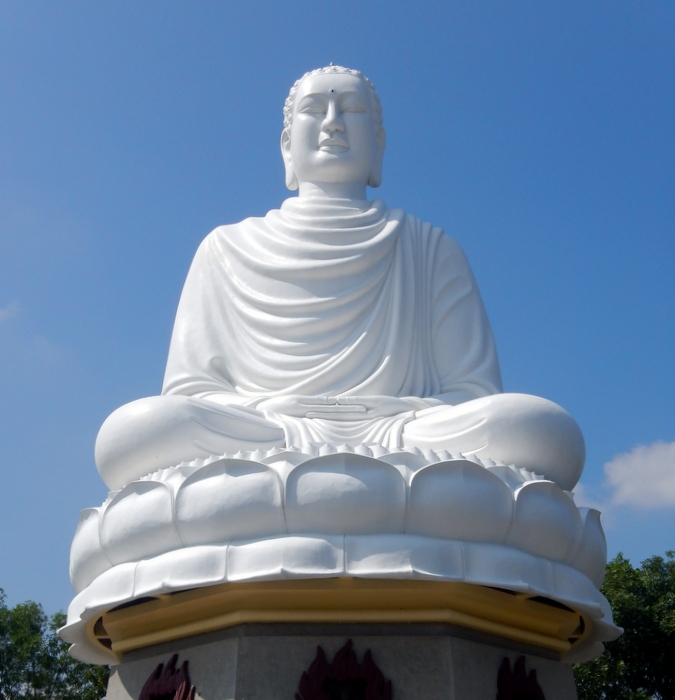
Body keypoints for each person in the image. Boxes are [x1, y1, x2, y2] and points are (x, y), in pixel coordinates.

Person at [95, 65, 584, 493]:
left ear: (379, 144)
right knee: (138, 432)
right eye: (314, 110)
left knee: (534, 428)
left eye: (351, 110)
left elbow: (474, 394)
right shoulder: (225, 247)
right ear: (287, 145)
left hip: (402, 434)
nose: (332, 123)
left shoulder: (428, 247)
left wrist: (384, 419)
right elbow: (191, 392)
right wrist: (285, 415)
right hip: (265, 429)